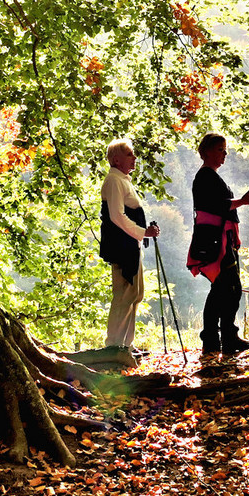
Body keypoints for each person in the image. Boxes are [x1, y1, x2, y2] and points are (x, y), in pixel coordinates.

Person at [185, 133, 249, 355]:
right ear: (206, 151)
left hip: (222, 240)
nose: (224, 154)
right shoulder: (204, 177)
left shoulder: (211, 176)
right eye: (220, 150)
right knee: (225, 288)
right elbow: (217, 205)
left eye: (225, 150)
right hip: (215, 242)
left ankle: (223, 338)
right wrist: (242, 202)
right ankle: (216, 339)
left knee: (227, 289)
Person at [99, 138, 159, 352]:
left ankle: (126, 345)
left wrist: (143, 235)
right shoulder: (114, 180)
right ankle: (114, 346)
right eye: (129, 154)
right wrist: (144, 232)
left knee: (134, 293)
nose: (134, 158)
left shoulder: (122, 179)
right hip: (122, 246)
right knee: (125, 294)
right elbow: (116, 216)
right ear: (116, 159)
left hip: (130, 244)